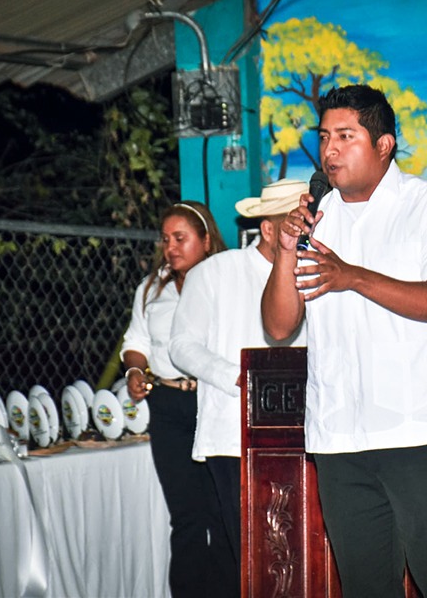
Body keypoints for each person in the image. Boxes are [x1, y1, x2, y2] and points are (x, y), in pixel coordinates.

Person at [261, 84, 427, 598]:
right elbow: (278, 326)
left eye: (346, 136)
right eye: (324, 137)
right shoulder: (318, 218)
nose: (330, 150)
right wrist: (286, 249)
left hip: (422, 430)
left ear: (384, 145)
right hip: (340, 436)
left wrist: (351, 276)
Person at [168, 179, 308, 597]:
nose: (304, 232)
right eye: (295, 223)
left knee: (297, 555)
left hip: (306, 436)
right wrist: (241, 377)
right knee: (245, 554)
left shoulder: (316, 271)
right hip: (233, 437)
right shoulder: (215, 273)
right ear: (268, 229)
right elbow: (181, 346)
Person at [119, 201, 229, 598]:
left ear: (206, 239)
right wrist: (134, 371)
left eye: (180, 238)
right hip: (168, 405)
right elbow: (136, 341)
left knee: (222, 512)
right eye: (166, 240)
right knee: (185, 515)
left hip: (213, 402)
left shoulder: (226, 282)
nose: (171, 248)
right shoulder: (152, 288)